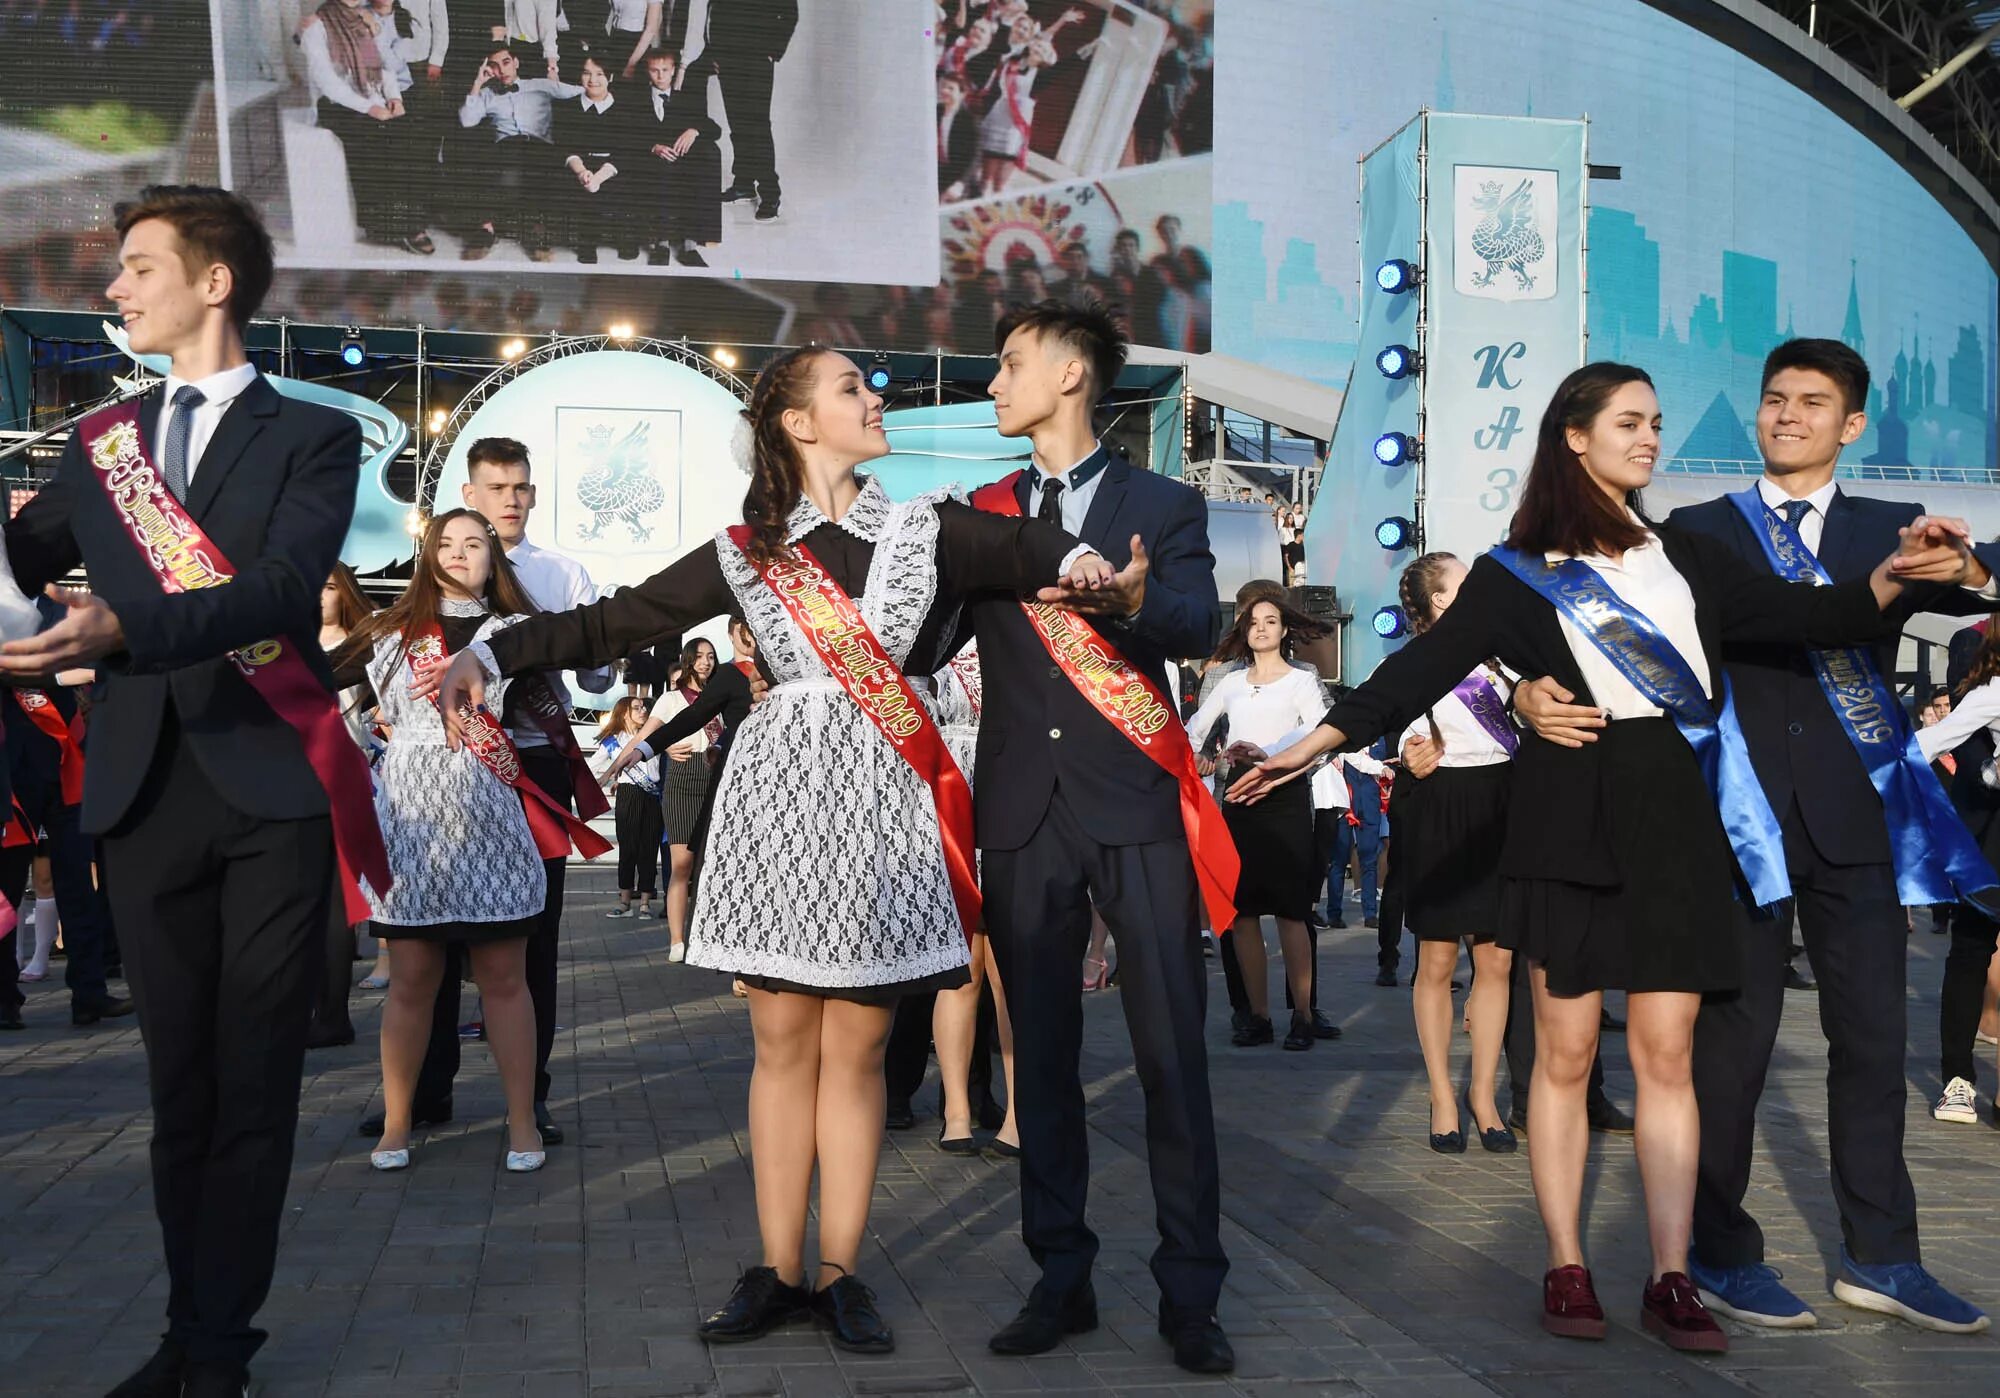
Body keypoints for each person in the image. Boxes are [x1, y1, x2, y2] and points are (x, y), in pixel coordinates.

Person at [1227, 361, 1982, 1352]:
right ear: (1572, 436)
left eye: (1655, 422)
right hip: (1566, 817)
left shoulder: (1688, 559)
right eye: (1628, 421)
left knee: (1668, 1057)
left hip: (1677, 823)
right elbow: (1419, 668)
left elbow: (1815, 619)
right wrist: (1310, 746)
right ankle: (1565, 1262)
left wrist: (1889, 577)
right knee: (1570, 1053)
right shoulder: (1514, 570)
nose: (1648, 438)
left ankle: (1672, 1277)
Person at [422, 345, 1129, 1356]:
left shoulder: (929, 531)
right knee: (781, 1044)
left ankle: (839, 1271)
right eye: (851, 389)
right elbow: (612, 621)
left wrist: (1080, 565)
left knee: (860, 1048)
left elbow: (1033, 552)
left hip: (887, 803)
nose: (873, 398)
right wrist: (490, 649)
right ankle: (776, 1269)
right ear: (798, 423)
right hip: (781, 807)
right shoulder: (744, 549)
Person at [1515, 340, 1997, 1335]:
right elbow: (1565, 618)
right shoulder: (1691, 530)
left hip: (1853, 822)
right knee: (1723, 1050)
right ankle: (1719, 1252)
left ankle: (1882, 1259)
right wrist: (1523, 689)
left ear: (1849, 424)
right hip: (1727, 822)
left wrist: (1967, 565)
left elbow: (1966, 586)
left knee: (1868, 1040)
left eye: (1810, 403)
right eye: (1773, 399)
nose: (1785, 416)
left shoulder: (1887, 529)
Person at [1, 186, 378, 1398]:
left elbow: (279, 590)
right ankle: (183, 1327)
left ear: (215, 284)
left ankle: (222, 1345)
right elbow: (19, 560)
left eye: (138, 269)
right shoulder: (97, 442)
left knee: (254, 1079)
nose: (116, 289)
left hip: (268, 788)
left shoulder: (312, 435)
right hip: (142, 788)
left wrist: (128, 625)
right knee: (179, 1091)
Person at [964, 300, 1235, 1375]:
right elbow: (929, 624)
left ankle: (1189, 1293)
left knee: (1172, 1055)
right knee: (1040, 1058)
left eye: (1010, 365)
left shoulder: (1162, 502)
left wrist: (1128, 601)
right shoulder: (979, 512)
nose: (993, 385)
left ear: (1071, 374)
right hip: (1022, 809)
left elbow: (1196, 624)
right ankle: (1059, 1275)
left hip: (1133, 803)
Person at [330, 510, 553, 1174]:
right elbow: (307, 678)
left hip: (486, 813)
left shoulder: (516, 634)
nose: (459, 554)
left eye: (474, 544)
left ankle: (522, 1123)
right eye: (446, 544)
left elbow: (562, 708)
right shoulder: (391, 634)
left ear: (495, 558)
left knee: (504, 980)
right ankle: (397, 1123)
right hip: (410, 819)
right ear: (427, 555)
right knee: (411, 981)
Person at [1388, 552, 1519, 1153]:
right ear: (1439, 601)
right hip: (1441, 807)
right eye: (1463, 581)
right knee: (1437, 962)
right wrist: (1407, 749)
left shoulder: (1506, 656)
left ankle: (1484, 1093)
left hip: (1503, 804)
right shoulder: (1414, 662)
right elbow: (1391, 730)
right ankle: (1442, 1092)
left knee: (1496, 962)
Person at [1185, 594, 1329, 1051]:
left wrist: (1274, 754)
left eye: (1271, 621)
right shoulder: (1229, 682)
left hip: (1284, 790)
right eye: (1254, 622)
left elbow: (1323, 731)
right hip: (1239, 795)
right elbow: (1193, 731)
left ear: (1285, 630)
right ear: (1244, 630)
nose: (1262, 629)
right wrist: (1207, 757)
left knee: (1291, 909)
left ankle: (1303, 1015)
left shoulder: (1301, 681)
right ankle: (1259, 1016)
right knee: (1243, 912)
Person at [928, 642, 1022, 1156]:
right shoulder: (939, 632)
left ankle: (1017, 1113)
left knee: (1009, 975)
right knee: (961, 969)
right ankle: (956, 1110)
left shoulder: (1021, 623)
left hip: (1011, 792)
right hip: (947, 803)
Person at [1918, 631, 2000, 1130]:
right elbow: (1929, 743)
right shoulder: (1990, 691)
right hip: (1990, 834)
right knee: (1971, 950)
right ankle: (1958, 1080)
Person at [298, 0, 436, 254]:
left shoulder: (360, 21)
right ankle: (391, 226)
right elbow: (328, 82)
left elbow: (382, 69)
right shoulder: (316, 28)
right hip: (337, 105)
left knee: (416, 133)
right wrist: (370, 108)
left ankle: (413, 220)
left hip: (372, 97)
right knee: (380, 137)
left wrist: (395, 98)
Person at [308, 562, 378, 1048]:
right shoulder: (279, 644)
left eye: (330, 587)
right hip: (283, 774)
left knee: (334, 898)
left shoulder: (362, 647)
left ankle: (332, 1013)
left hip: (338, 772)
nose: (320, 596)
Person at [455, 44, 583, 261]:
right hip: (506, 146)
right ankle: (486, 230)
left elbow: (581, 91)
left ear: (516, 62)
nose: (502, 70)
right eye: (495, 66)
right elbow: (467, 120)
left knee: (540, 166)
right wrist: (477, 83)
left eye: (506, 63)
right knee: (490, 162)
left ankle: (536, 232)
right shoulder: (486, 94)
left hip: (540, 145)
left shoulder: (542, 85)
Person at [647, 637, 721, 957]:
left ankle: (706, 936)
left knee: (711, 865)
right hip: (681, 779)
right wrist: (665, 746)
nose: (706, 662)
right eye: (700, 656)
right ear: (688, 659)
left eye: (711, 657)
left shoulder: (721, 697)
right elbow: (649, 733)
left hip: (714, 777)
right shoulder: (672, 699)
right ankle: (677, 940)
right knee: (682, 864)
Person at [697, 0, 797, 221]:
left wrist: (774, 51)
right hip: (725, 57)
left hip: (756, 59)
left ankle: (770, 193)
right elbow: (712, 10)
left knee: (758, 126)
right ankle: (743, 183)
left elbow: (789, 13)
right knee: (737, 124)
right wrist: (712, 51)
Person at [632, 45, 723, 267]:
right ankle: (661, 244)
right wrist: (653, 146)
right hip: (653, 158)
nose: (660, 75)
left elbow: (715, 129)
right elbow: (629, 130)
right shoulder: (637, 97)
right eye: (655, 70)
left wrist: (694, 130)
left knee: (704, 161)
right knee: (662, 174)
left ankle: (689, 245)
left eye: (665, 70)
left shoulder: (686, 97)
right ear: (648, 72)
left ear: (674, 71)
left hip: (681, 158)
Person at [550, 52, 643, 264]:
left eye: (599, 74)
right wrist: (582, 172)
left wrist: (599, 178)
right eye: (586, 73)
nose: (593, 80)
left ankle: (624, 236)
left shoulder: (624, 108)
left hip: (612, 166)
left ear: (610, 77)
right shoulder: (567, 107)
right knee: (580, 186)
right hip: (580, 165)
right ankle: (587, 241)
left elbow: (626, 150)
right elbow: (565, 146)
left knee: (627, 182)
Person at [594, 695, 662, 919]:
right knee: (628, 848)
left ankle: (644, 902)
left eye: (643, 707)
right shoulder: (613, 739)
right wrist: (605, 780)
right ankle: (624, 901)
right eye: (636, 708)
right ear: (625, 713)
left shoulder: (654, 734)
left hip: (652, 795)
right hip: (628, 793)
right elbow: (593, 765)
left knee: (649, 848)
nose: (642, 710)